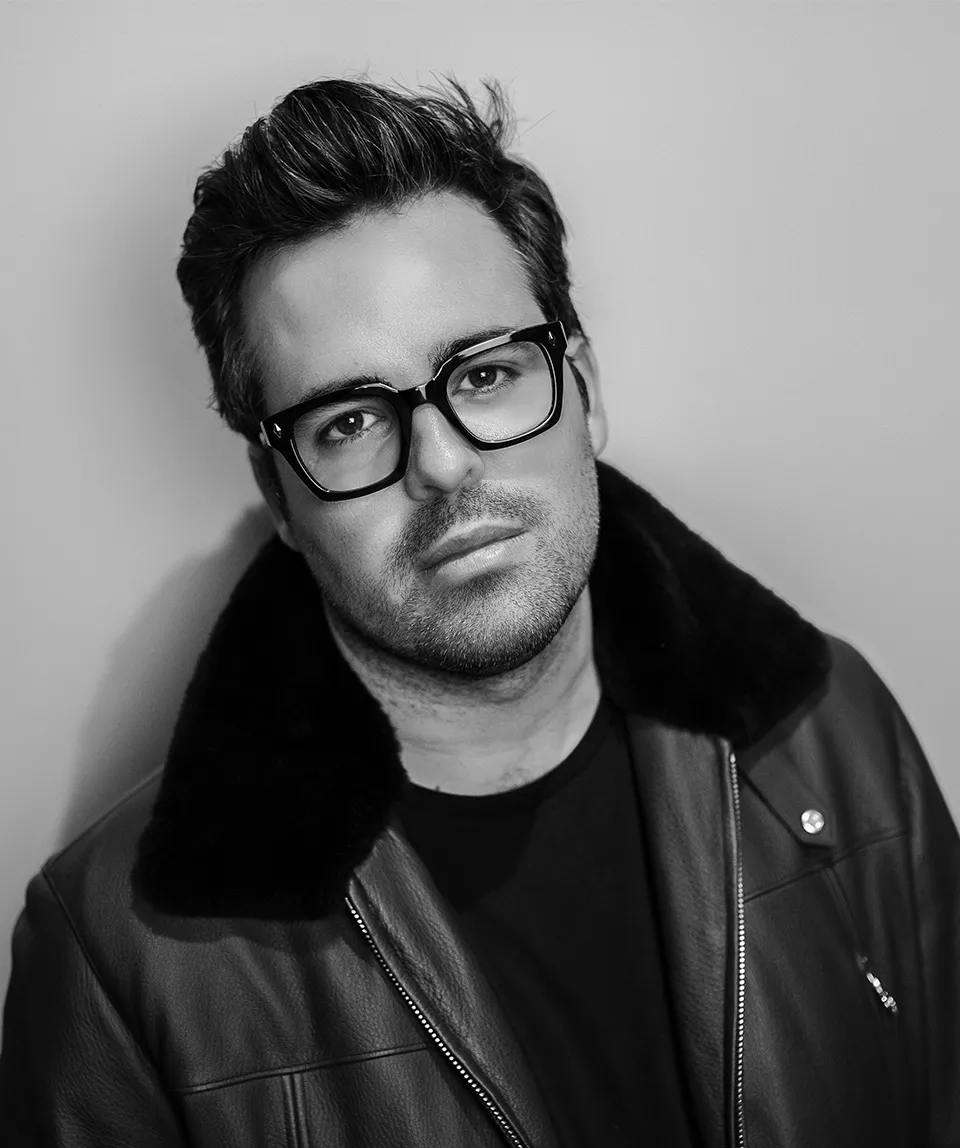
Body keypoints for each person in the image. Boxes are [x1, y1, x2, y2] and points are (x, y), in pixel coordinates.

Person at [1, 76, 957, 1148]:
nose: (444, 463)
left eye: (488, 373)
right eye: (349, 420)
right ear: (279, 494)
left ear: (584, 390)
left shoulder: (838, 734)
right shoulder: (112, 956)